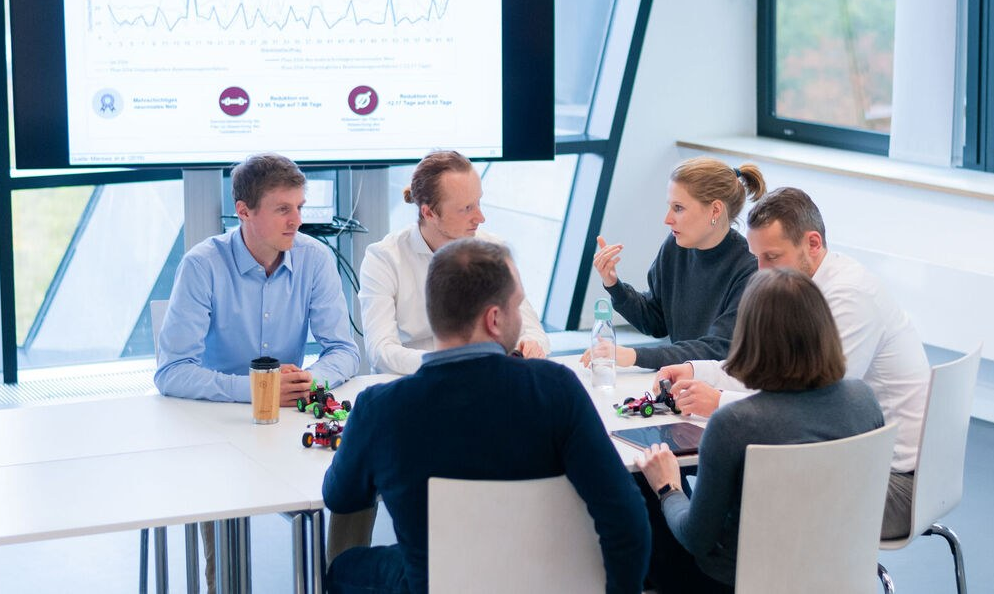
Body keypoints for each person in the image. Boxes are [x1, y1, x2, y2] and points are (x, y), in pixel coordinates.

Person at [324, 238, 650, 594]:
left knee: (346, 566)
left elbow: (340, 497)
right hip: (543, 581)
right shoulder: (555, 390)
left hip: (434, 584)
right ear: (494, 319)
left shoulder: (379, 408)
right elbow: (626, 520)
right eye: (518, 306)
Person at [656, 186, 930, 540]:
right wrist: (699, 370)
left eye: (771, 256)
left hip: (890, 485)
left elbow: (809, 405)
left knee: (731, 499)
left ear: (812, 244)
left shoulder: (849, 297)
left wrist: (718, 403)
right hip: (850, 463)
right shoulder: (807, 291)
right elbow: (774, 373)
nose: (760, 271)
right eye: (756, 258)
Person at [635, 267, 884, 592]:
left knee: (644, 480)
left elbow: (695, 538)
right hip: (836, 573)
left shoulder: (735, 424)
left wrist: (668, 488)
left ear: (751, 338)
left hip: (734, 582)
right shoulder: (863, 400)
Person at [155, 152, 360, 401]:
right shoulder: (201, 265)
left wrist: (308, 382)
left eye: (299, 207)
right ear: (243, 211)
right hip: (215, 413)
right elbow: (172, 372)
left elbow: (344, 350)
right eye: (283, 209)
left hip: (286, 413)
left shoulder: (315, 258)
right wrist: (260, 390)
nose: (297, 221)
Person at [359, 150, 549, 374]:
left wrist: (531, 344)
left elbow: (534, 332)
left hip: (484, 380)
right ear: (429, 213)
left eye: (478, 202)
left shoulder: (493, 250)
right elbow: (380, 351)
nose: (481, 217)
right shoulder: (384, 258)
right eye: (467, 208)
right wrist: (453, 362)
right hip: (414, 386)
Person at [581, 157, 765, 370]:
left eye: (678, 208)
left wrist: (634, 355)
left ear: (715, 210)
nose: (667, 219)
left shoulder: (750, 268)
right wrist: (614, 285)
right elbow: (656, 321)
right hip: (683, 382)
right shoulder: (675, 247)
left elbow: (717, 349)